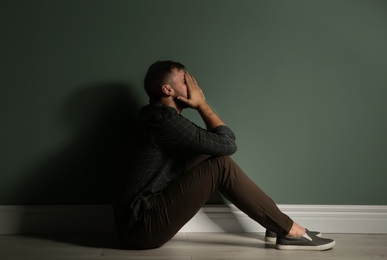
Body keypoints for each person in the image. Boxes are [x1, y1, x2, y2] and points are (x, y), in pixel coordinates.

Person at [113, 60, 336, 251]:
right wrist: (202, 104)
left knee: (214, 158)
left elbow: (218, 144)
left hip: (140, 222)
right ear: (168, 90)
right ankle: (288, 230)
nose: (194, 85)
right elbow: (228, 143)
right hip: (141, 230)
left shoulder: (159, 118)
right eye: (185, 80)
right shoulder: (163, 121)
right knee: (220, 165)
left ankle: (276, 224)